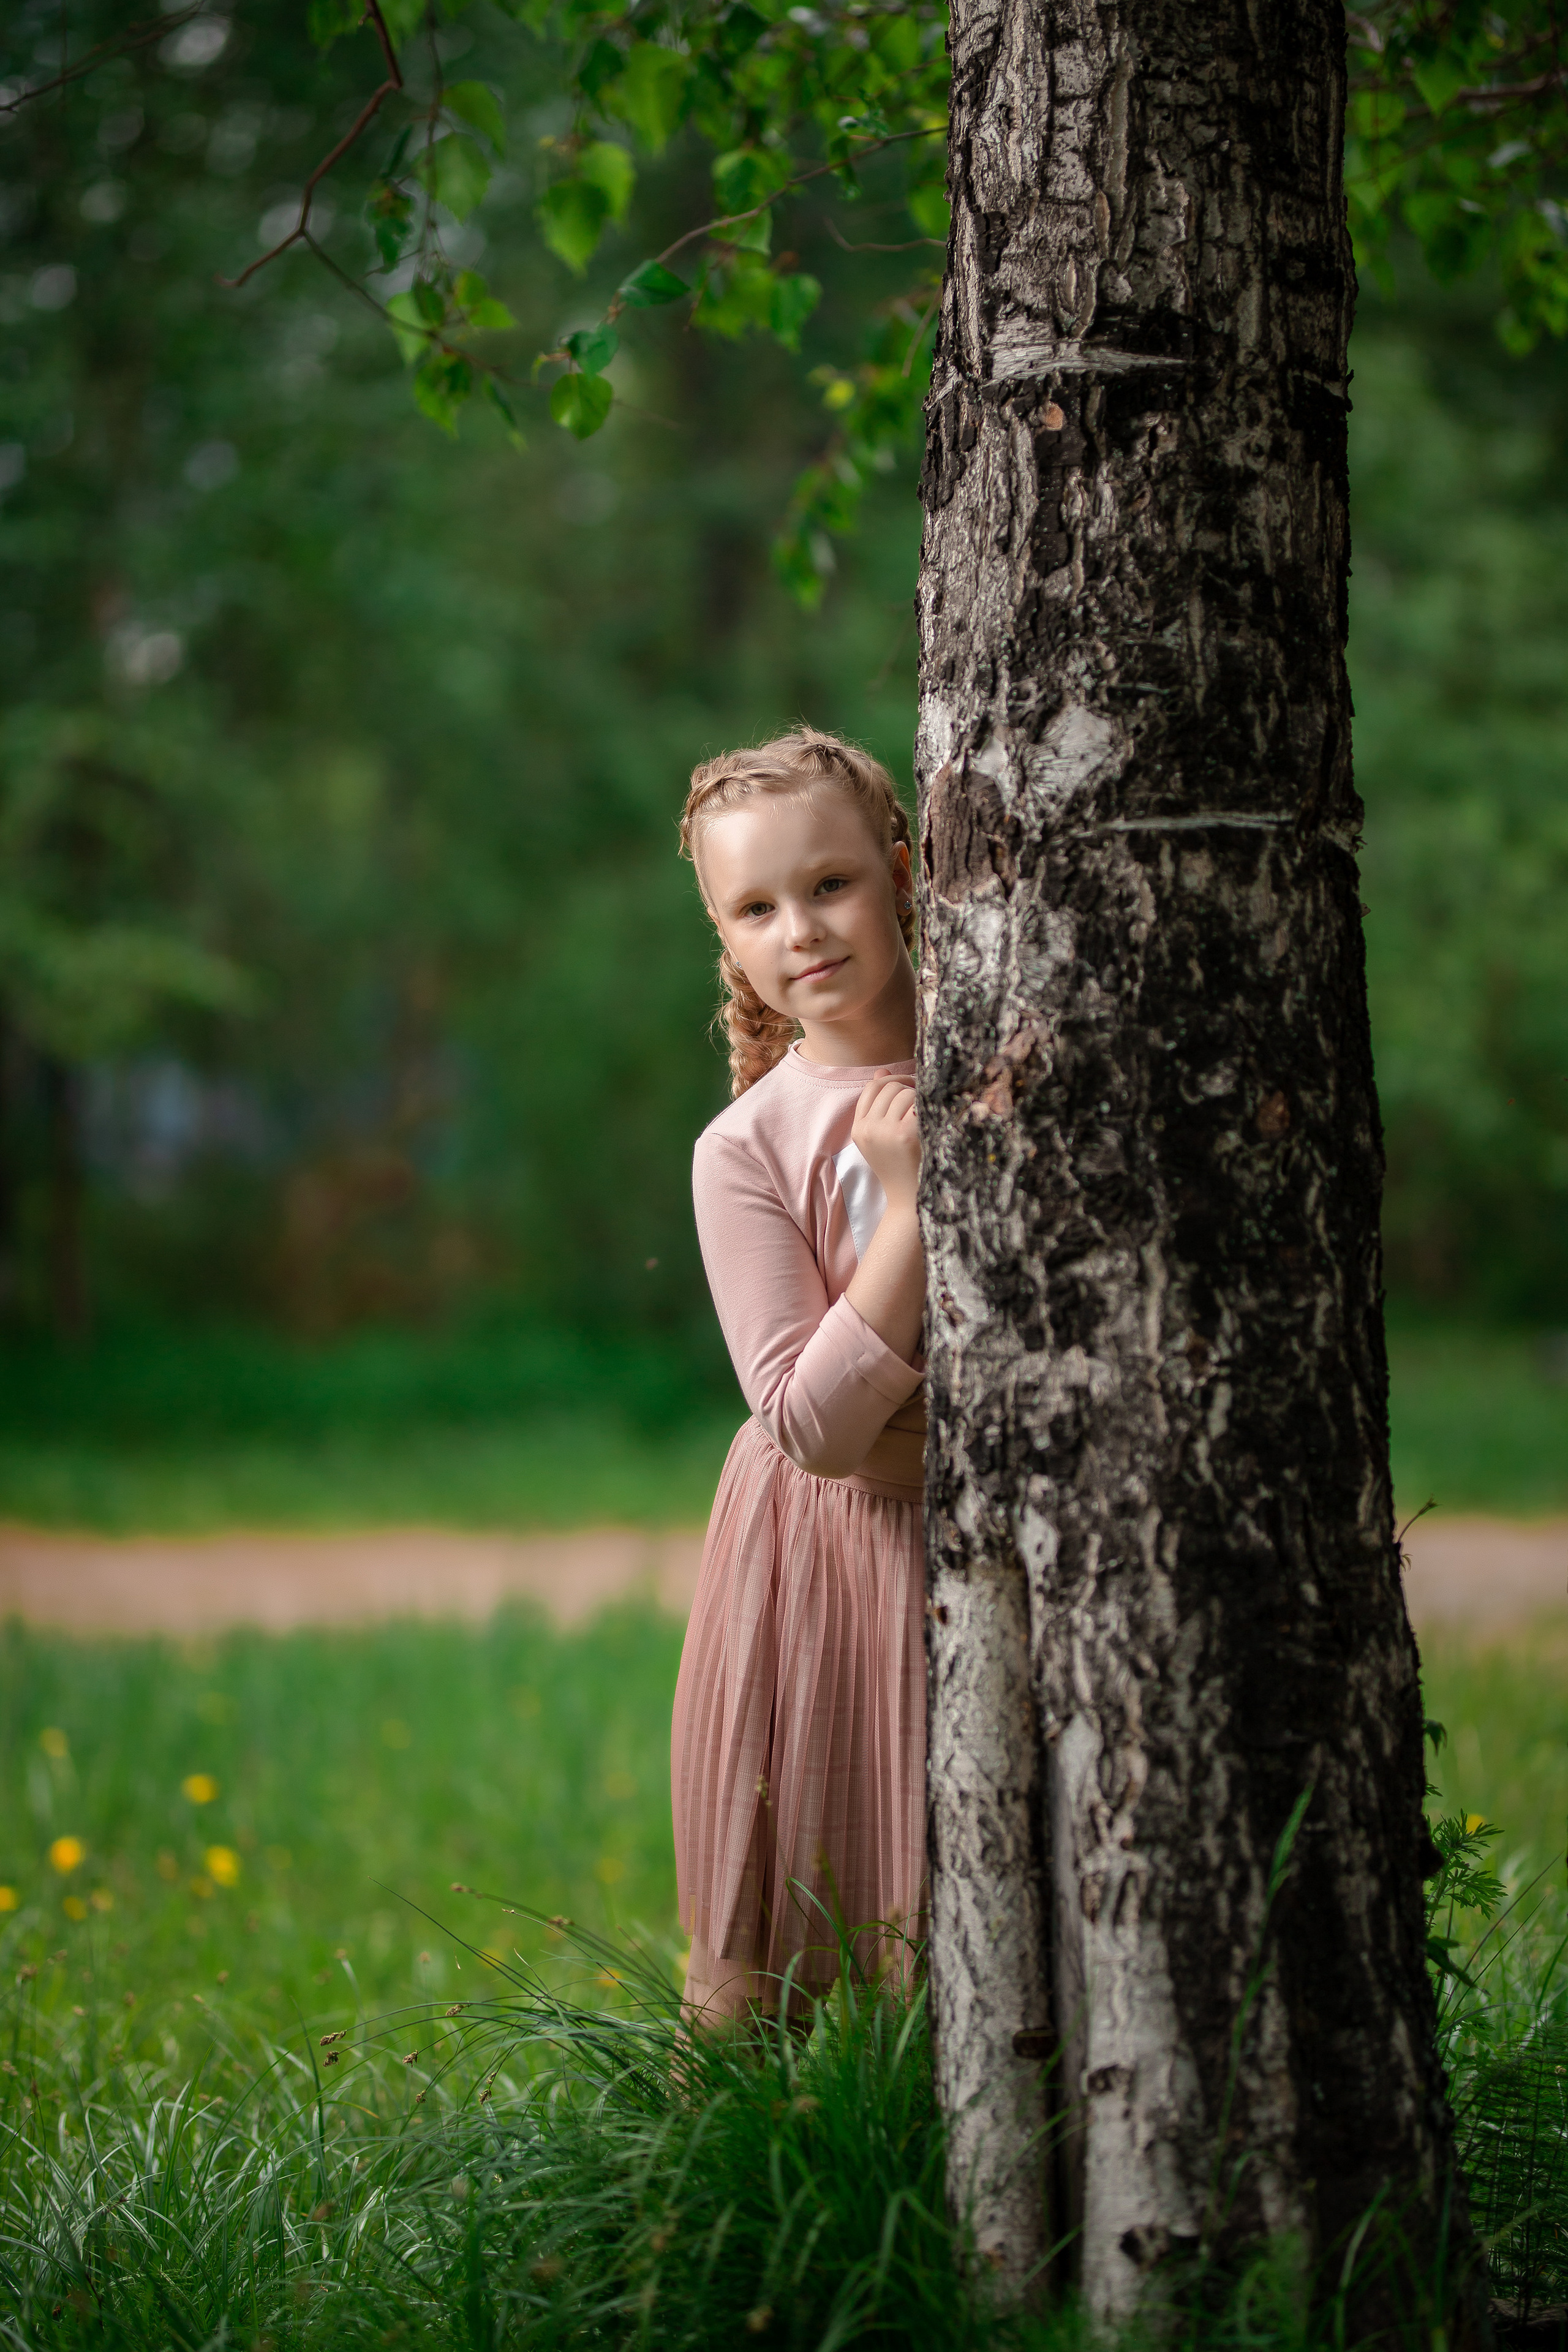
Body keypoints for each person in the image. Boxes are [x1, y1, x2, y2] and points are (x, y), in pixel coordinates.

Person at [671, 726, 926, 2022]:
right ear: (726, 941)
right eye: (756, 908)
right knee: (769, 1946)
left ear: (901, 870)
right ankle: (713, 2157)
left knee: (962, 1913)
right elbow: (813, 1430)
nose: (802, 931)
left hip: (1002, 1536)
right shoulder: (746, 1149)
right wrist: (909, 1215)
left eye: (829, 884)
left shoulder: (1021, 1060)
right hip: (824, 1557)